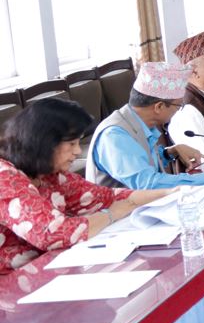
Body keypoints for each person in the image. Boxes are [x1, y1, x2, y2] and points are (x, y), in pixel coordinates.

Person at [1, 100, 174, 273]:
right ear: (45, 143)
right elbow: (55, 233)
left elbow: (108, 197)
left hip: (48, 268)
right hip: (11, 280)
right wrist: (112, 214)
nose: (77, 151)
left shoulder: (49, 173)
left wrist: (173, 193)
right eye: (71, 144)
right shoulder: (5, 178)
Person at [87, 62, 204, 190]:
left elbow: (140, 160)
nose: (179, 110)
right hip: (122, 214)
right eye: (179, 105)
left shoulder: (138, 122)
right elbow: (149, 184)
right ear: (159, 107)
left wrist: (169, 152)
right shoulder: (115, 135)